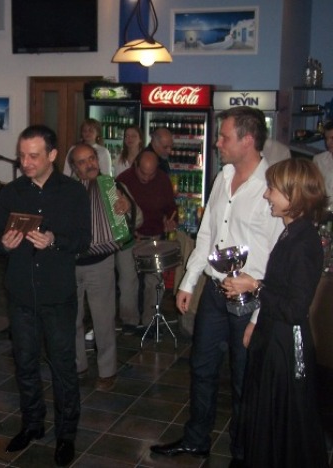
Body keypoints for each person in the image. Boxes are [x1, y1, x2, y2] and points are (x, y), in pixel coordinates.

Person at [150, 106, 284, 463]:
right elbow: (207, 233)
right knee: (201, 367)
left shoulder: (272, 185)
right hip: (214, 291)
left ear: (248, 140)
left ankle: (243, 451)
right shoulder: (222, 177)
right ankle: (197, 439)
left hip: (250, 298)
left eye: (224, 137)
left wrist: (259, 311)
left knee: (244, 379)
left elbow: (278, 254)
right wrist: (188, 281)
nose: (217, 143)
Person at [0, 125, 91, 466]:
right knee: (25, 363)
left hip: (57, 294)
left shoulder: (73, 192)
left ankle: (66, 435)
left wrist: (54, 241)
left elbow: (83, 240)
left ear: (52, 155)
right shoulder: (11, 192)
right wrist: (4, 244)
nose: (26, 162)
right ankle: (32, 424)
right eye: (22, 155)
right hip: (20, 292)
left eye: (33, 156)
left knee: (63, 366)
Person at [222, 158, 328, 467]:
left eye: (272, 189)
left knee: (288, 423)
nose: (267, 195)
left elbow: (295, 309)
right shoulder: (291, 232)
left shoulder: (304, 241)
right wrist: (253, 291)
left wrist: (254, 286)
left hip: (286, 346)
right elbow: (282, 287)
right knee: (270, 419)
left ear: (293, 195)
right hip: (273, 338)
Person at [69, 143, 140, 392]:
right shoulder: (67, 190)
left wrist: (128, 207)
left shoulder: (111, 186)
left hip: (101, 262)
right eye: (82, 162)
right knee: (72, 319)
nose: (90, 164)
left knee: (103, 320)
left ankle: (107, 371)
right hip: (70, 263)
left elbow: (134, 219)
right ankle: (78, 366)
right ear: (74, 168)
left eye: (92, 158)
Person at [116, 150, 177, 333]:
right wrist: (127, 230)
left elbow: (171, 207)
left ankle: (151, 320)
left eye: (151, 174)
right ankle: (129, 321)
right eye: (143, 173)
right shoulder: (123, 180)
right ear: (136, 165)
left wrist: (171, 220)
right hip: (129, 239)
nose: (147, 178)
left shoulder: (162, 179)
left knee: (154, 282)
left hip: (154, 237)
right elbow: (114, 213)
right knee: (127, 281)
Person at [313, 120, 333, 211]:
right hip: (325, 211)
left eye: (332, 138)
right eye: (326, 139)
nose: (328, 142)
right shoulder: (319, 160)